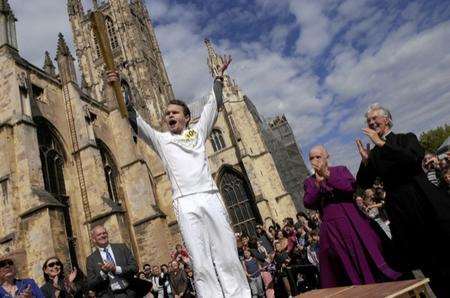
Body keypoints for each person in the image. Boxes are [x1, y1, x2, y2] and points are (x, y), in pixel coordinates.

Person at [116, 56, 250, 297]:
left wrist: (218, 77)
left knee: (226, 252)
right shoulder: (161, 140)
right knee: (200, 261)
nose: (169, 116)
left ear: (186, 117)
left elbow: (212, 105)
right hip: (185, 202)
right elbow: (134, 118)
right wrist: (118, 88)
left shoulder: (198, 132)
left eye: (174, 112)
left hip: (209, 196)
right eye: (167, 113)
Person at [356, 103, 450, 296]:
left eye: (375, 119)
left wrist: (382, 143)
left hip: (423, 200)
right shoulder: (374, 154)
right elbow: (363, 183)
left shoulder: (406, 138)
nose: (372, 122)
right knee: (426, 263)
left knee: (444, 252)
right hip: (401, 210)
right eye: (369, 121)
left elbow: (412, 159)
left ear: (387, 120)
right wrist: (365, 163)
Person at [304, 145, 400, 288]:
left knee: (367, 253)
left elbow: (350, 188)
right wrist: (318, 184)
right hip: (332, 228)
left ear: (326, 156)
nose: (315, 160)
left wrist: (328, 176)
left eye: (318, 156)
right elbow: (308, 202)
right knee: (341, 264)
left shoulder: (340, 170)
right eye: (312, 158)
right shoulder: (309, 182)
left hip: (353, 220)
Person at [86, 225, 138, 298]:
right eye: (99, 234)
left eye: (104, 233)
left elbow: (135, 268)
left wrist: (116, 269)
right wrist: (103, 273)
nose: (102, 235)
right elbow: (91, 284)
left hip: (129, 293)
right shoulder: (91, 259)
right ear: (94, 239)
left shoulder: (122, 248)